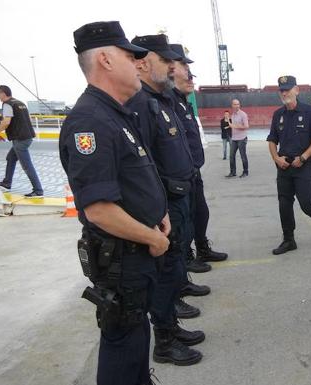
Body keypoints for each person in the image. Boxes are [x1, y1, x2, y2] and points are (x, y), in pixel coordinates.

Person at [59, 21, 169, 385]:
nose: (137, 63)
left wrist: (160, 213)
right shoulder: (90, 121)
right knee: (122, 349)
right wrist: (153, 238)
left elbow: (133, 179)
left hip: (136, 257)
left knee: (136, 342)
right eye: (129, 55)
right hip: (124, 260)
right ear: (105, 59)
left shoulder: (113, 113)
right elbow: (100, 210)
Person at [127, 33, 204, 366]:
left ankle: (171, 326)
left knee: (175, 269)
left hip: (180, 197)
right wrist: (157, 210)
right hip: (165, 205)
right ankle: (165, 341)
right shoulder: (142, 104)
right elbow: (143, 163)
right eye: (167, 61)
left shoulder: (163, 100)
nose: (174, 68)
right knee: (165, 273)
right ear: (145, 62)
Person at [169, 44, 228, 273]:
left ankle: (202, 247)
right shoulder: (170, 102)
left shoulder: (184, 102)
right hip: (182, 174)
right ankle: (187, 255)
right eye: (188, 73)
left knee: (201, 212)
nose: (192, 79)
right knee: (185, 218)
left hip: (194, 170)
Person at [266, 75, 311, 255]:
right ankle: (289, 240)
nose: (285, 93)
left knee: (306, 204)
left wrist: (304, 158)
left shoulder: (309, 112)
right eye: (282, 90)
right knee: (284, 203)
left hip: (303, 165)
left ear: (296, 90)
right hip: (284, 166)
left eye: (288, 89)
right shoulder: (278, 115)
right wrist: (276, 158)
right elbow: (272, 140)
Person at [0, 85, 44, 197]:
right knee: (11, 158)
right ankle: (7, 182)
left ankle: (38, 190)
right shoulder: (20, 103)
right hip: (27, 136)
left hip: (20, 139)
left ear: (3, 93)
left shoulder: (7, 104)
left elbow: (6, 122)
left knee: (27, 165)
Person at [227, 99, 249, 178]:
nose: (237, 106)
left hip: (242, 138)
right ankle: (233, 172)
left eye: (238, 104)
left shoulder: (243, 114)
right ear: (232, 105)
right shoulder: (232, 115)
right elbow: (233, 127)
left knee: (243, 156)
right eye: (235, 104)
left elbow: (246, 126)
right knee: (231, 156)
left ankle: (245, 172)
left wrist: (234, 126)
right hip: (234, 138)